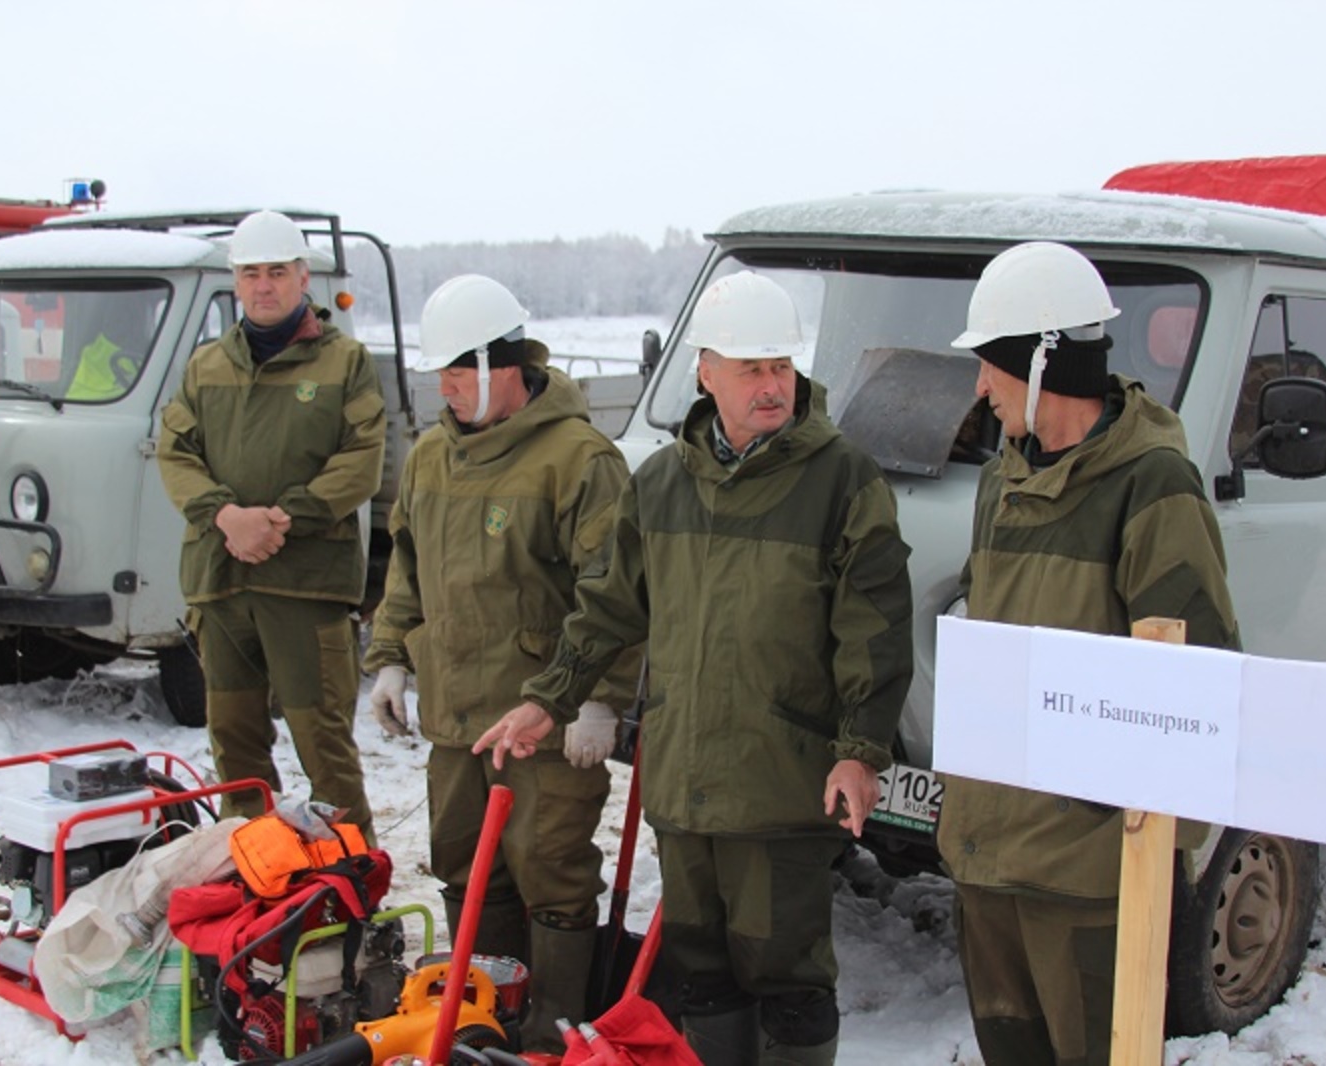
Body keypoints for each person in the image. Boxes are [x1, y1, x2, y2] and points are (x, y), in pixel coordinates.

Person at [472, 270, 914, 1066]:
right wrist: (551, 699)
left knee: (788, 980)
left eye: (780, 366)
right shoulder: (663, 482)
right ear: (705, 372)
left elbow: (874, 632)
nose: (771, 386)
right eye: (751, 369)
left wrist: (860, 749)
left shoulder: (842, 480)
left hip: (781, 784)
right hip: (683, 784)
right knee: (702, 973)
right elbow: (608, 607)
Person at [939, 241, 1240, 1066]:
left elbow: (1196, 695)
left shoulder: (1153, 486)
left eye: (989, 368)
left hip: (1088, 879)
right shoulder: (1002, 479)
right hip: (988, 855)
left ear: (1041, 365)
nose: (978, 388)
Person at [362, 274, 635, 1052]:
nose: (444, 388)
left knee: (551, 873)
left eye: (457, 370)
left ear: (504, 363)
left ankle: (551, 1034)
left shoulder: (579, 460)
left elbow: (616, 593)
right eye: (437, 374)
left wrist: (599, 699)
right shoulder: (428, 459)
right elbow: (405, 569)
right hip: (456, 720)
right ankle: (489, 1020)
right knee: (466, 871)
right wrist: (390, 659)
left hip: (544, 726)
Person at [156, 209, 384, 842]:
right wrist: (227, 517)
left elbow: (361, 462)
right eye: (251, 273)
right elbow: (175, 453)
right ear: (235, 281)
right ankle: (258, 879)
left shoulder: (343, 362)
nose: (264, 285)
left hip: (304, 589)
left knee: (324, 747)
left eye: (277, 272)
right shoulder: (207, 367)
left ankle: (353, 881)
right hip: (221, 584)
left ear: (302, 277)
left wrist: (282, 519)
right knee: (235, 749)